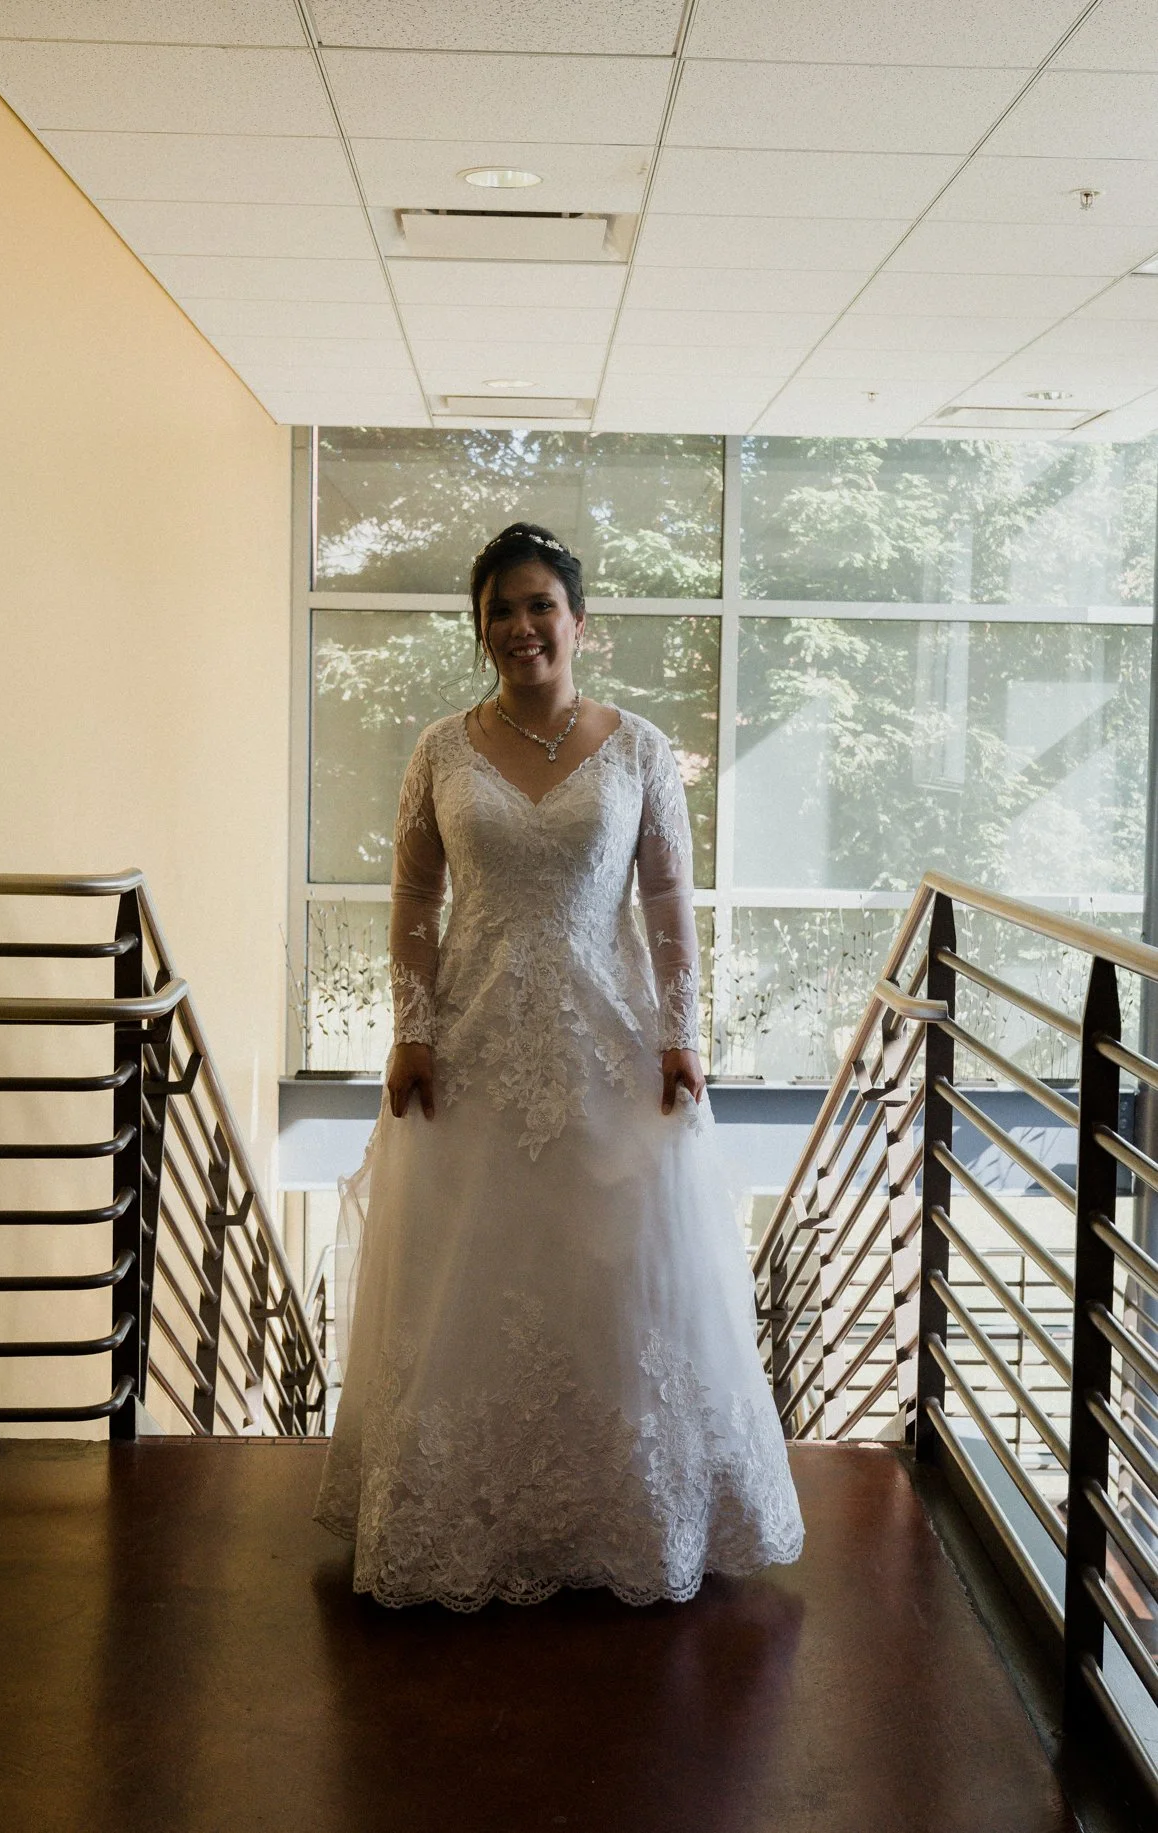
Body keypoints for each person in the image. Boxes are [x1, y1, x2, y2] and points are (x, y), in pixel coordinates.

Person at [313, 522, 804, 1608]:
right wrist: (410, 1028)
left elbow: (667, 896)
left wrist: (682, 1031)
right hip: (472, 1046)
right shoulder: (440, 749)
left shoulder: (638, 748)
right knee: (468, 1268)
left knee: (616, 1271)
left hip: (607, 1046)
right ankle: (459, 1513)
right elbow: (414, 896)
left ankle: (625, 1512)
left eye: (540, 605)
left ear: (580, 622)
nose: (521, 626)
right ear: (480, 628)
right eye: (500, 609)